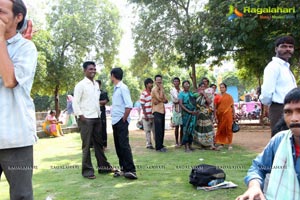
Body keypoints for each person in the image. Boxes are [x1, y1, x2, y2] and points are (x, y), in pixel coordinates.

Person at [0, 0, 37, 199]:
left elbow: (10, 80)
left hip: (15, 138)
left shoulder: (26, 48)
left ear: (18, 17)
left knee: (21, 196)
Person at [236, 87, 300, 200]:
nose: (294, 118)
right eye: (288, 112)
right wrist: (254, 187)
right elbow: (258, 167)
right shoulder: (279, 140)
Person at [73, 61, 114, 179]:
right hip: (85, 118)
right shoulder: (80, 85)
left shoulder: (96, 84)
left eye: (94, 69)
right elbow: (75, 102)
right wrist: (81, 116)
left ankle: (103, 168)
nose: (93, 71)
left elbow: (95, 101)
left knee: (99, 144)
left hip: (96, 117)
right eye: (90, 69)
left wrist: (99, 114)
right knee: (86, 146)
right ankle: (87, 171)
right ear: (84, 70)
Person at [259, 35, 297, 131]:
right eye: (284, 46)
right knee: (280, 139)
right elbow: (267, 94)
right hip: (279, 109)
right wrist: (271, 106)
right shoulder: (273, 67)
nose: (287, 49)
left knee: (292, 139)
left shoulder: (285, 67)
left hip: (291, 108)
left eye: (290, 47)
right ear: (276, 49)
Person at [110, 67, 137, 179]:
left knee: (124, 145)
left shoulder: (123, 88)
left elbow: (129, 105)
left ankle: (131, 170)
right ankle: (123, 169)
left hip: (121, 121)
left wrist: (124, 119)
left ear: (113, 75)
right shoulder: (116, 88)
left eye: (110, 75)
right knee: (118, 146)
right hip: (115, 121)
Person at [194, 82, 216, 150]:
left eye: (204, 87)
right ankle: (201, 144)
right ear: (199, 88)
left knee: (208, 128)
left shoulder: (208, 94)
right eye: (201, 87)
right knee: (200, 129)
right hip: (199, 115)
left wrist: (204, 95)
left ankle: (211, 144)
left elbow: (209, 102)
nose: (202, 88)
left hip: (206, 115)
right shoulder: (196, 95)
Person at [214, 83, 235, 150]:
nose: (221, 89)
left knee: (228, 129)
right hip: (220, 116)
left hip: (228, 115)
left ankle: (230, 144)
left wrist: (234, 114)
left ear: (226, 88)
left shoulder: (229, 97)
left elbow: (232, 106)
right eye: (220, 87)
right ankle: (221, 144)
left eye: (223, 87)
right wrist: (215, 115)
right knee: (221, 129)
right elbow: (215, 107)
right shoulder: (217, 97)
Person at [178, 80, 198, 152]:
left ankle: (190, 145)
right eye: (185, 84)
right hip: (186, 114)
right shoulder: (181, 94)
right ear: (183, 86)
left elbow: (195, 101)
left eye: (188, 84)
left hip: (193, 113)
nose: (187, 86)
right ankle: (186, 147)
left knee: (192, 129)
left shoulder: (191, 94)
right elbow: (181, 104)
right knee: (186, 129)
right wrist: (188, 111)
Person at [151, 74, 168, 152]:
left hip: (162, 110)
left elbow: (166, 100)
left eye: (160, 81)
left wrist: (160, 100)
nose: (159, 82)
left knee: (162, 129)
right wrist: (161, 90)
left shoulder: (161, 89)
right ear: (155, 81)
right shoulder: (154, 89)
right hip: (157, 111)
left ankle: (161, 145)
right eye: (157, 81)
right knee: (158, 130)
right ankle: (158, 147)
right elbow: (161, 98)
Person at [139, 78, 155, 149]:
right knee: (147, 130)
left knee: (154, 130)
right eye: (150, 83)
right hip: (147, 114)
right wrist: (145, 115)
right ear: (147, 84)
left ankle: (157, 143)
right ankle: (149, 144)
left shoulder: (153, 92)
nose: (152, 84)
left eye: (152, 83)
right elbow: (142, 104)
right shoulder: (144, 93)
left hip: (153, 114)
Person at [96, 80, 109, 150]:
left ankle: (103, 145)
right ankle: (94, 145)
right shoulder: (92, 93)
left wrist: (96, 102)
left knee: (103, 128)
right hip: (93, 114)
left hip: (102, 113)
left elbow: (105, 101)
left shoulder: (103, 93)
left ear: (100, 85)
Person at [170, 77, 183, 147]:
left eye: (177, 81)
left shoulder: (182, 90)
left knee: (182, 126)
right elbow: (174, 100)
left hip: (182, 110)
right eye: (175, 81)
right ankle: (176, 142)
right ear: (173, 83)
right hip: (176, 110)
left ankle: (181, 141)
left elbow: (183, 100)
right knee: (176, 127)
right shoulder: (172, 91)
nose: (176, 83)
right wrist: (180, 100)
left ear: (179, 82)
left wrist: (179, 100)